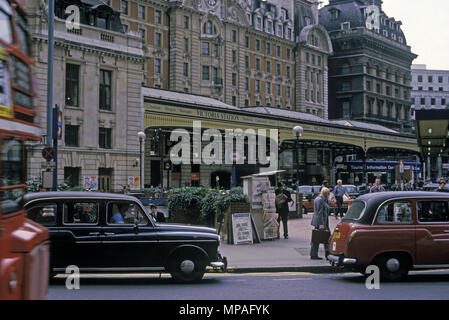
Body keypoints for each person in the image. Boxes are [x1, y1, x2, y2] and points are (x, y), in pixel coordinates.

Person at [310, 187, 331, 260]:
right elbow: (320, 213)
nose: (329, 195)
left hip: (320, 221)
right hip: (321, 222)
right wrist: (321, 224)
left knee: (317, 238)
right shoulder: (321, 200)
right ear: (326, 194)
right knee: (324, 237)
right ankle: (327, 253)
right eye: (328, 194)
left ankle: (315, 254)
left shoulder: (319, 199)